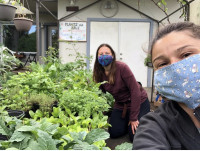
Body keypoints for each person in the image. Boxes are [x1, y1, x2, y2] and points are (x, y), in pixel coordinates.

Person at [133, 22, 200, 150]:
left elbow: (134, 91)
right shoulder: (154, 125)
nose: (174, 68)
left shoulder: (123, 69)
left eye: (186, 55)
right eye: (163, 63)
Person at [93, 43, 150, 141]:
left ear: (112, 55)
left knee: (134, 136)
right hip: (120, 104)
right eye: (101, 54)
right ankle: (127, 122)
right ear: (97, 57)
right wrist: (100, 113)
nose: (104, 56)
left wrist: (133, 118)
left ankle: (144, 120)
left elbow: (135, 91)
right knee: (114, 133)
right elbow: (101, 95)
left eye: (107, 53)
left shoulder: (121, 68)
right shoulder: (99, 73)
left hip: (138, 101)